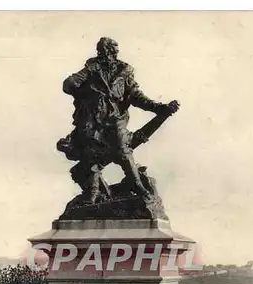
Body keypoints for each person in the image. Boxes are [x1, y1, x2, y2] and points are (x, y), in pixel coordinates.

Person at [60, 37, 179, 202]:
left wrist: (159, 108)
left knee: (123, 148)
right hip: (93, 119)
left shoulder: (124, 71)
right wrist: (88, 83)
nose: (113, 53)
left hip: (115, 118)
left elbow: (136, 97)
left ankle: (137, 185)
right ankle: (94, 194)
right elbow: (68, 85)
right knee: (90, 155)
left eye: (114, 50)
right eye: (109, 50)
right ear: (103, 51)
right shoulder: (91, 68)